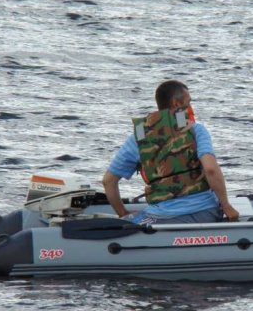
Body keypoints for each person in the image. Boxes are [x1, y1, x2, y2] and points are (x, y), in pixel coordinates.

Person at [102, 80, 239, 224]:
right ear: (177, 103)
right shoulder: (196, 130)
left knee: (125, 225)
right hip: (205, 212)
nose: (191, 107)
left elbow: (108, 181)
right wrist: (226, 206)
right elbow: (210, 169)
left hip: (162, 215)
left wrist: (122, 213)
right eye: (189, 102)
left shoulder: (139, 138)